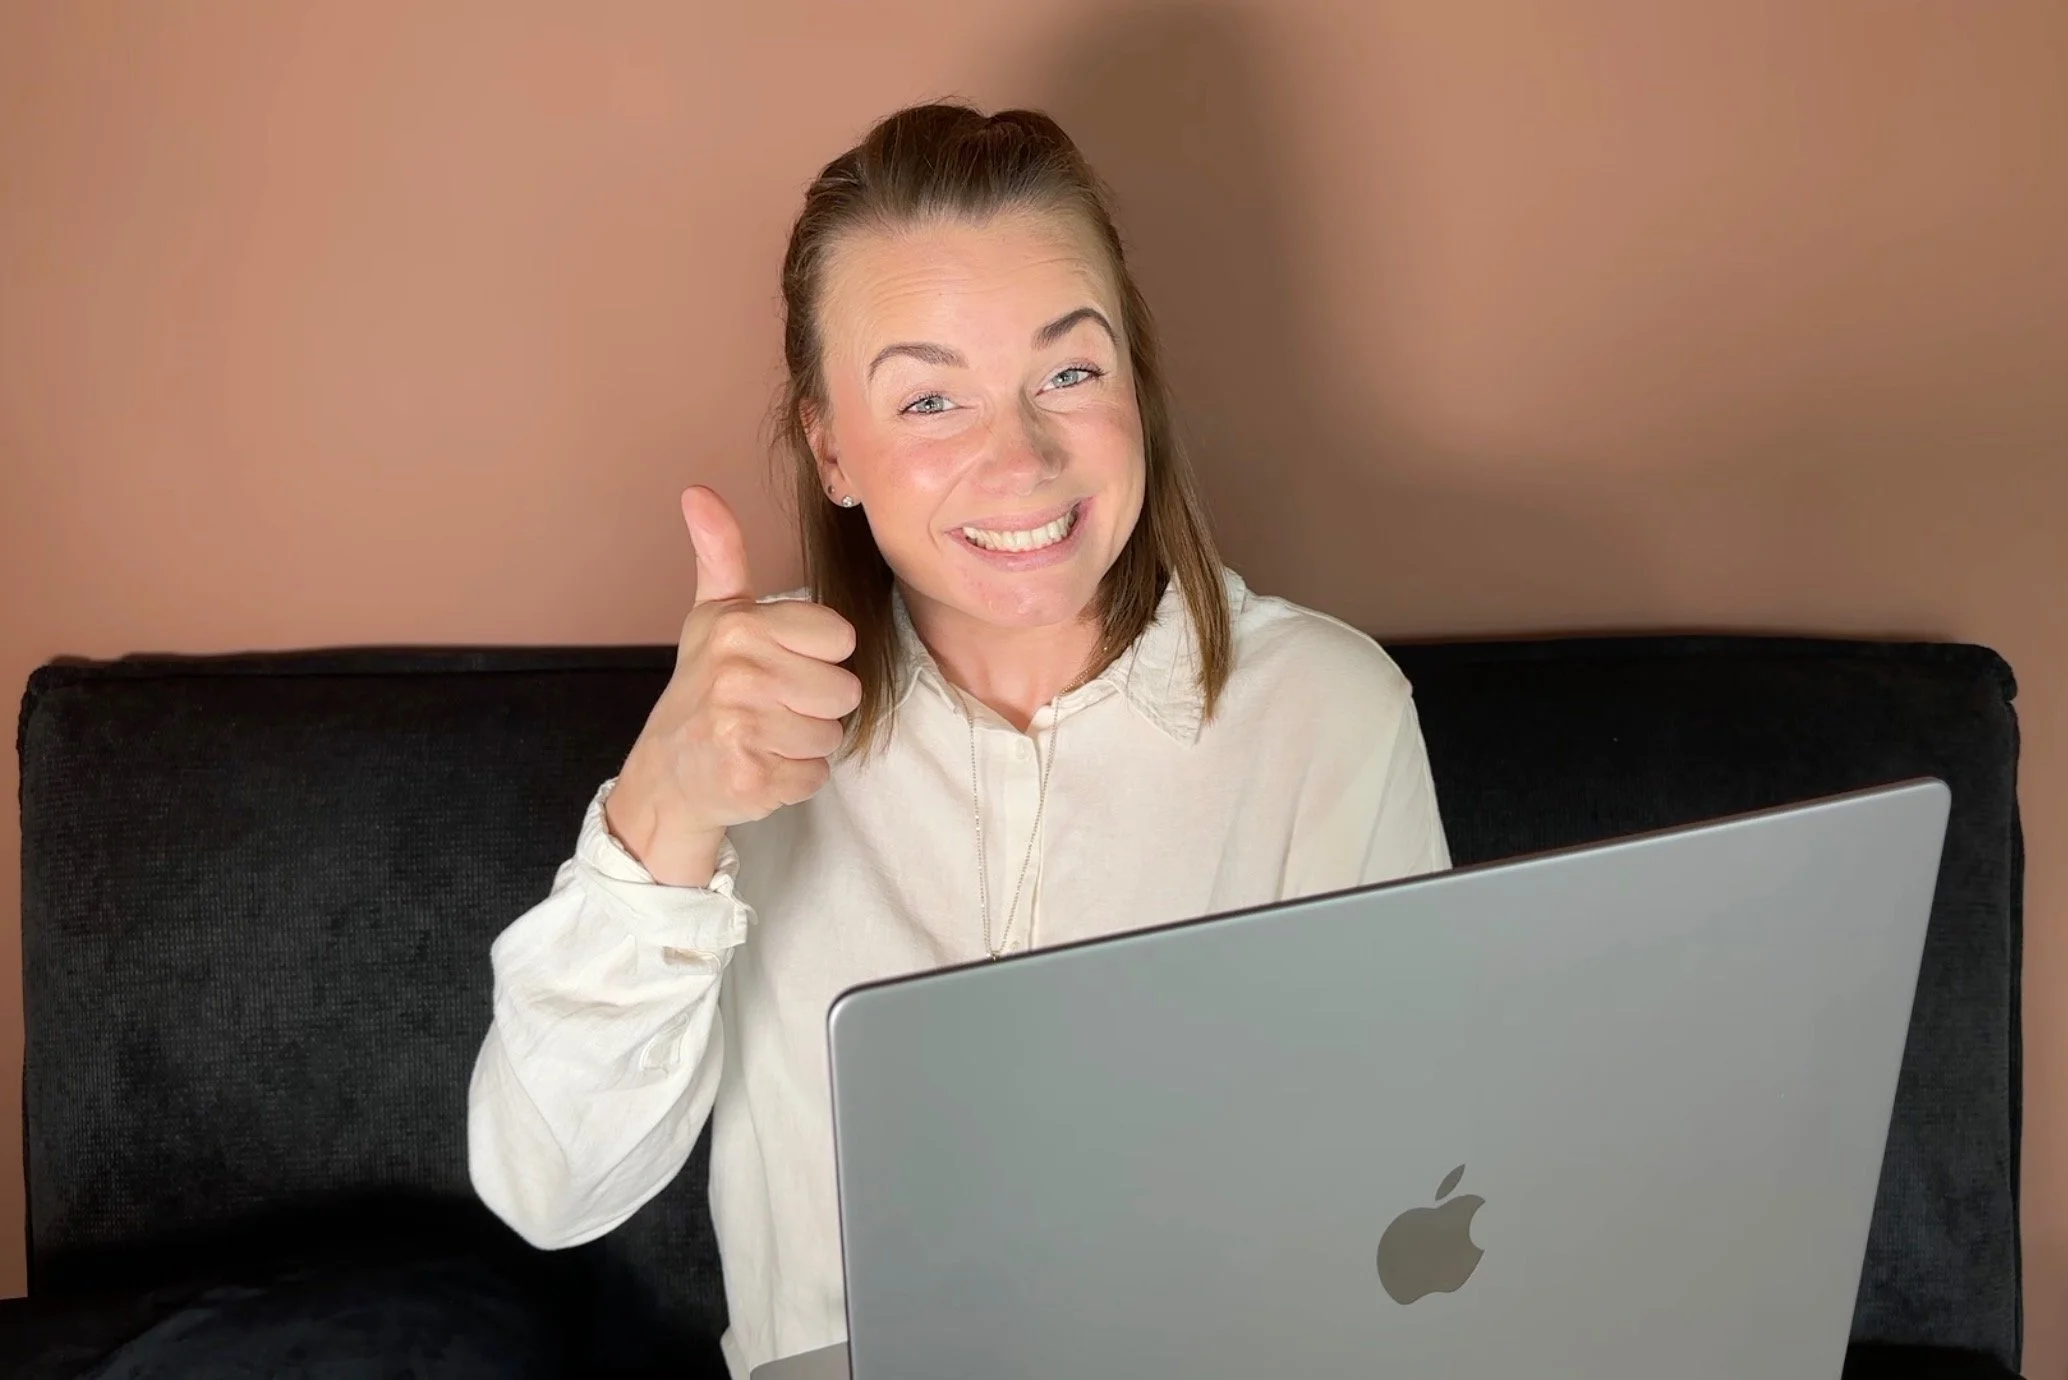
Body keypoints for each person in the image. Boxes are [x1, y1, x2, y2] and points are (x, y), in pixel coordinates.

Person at [467, 101, 1451, 1378]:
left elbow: (1412, 1190)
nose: (1022, 457)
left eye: (1069, 372)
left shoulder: (1330, 712)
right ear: (831, 446)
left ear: (1134, 389)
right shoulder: (744, 723)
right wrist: (666, 808)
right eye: (930, 401)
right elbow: (549, 1189)